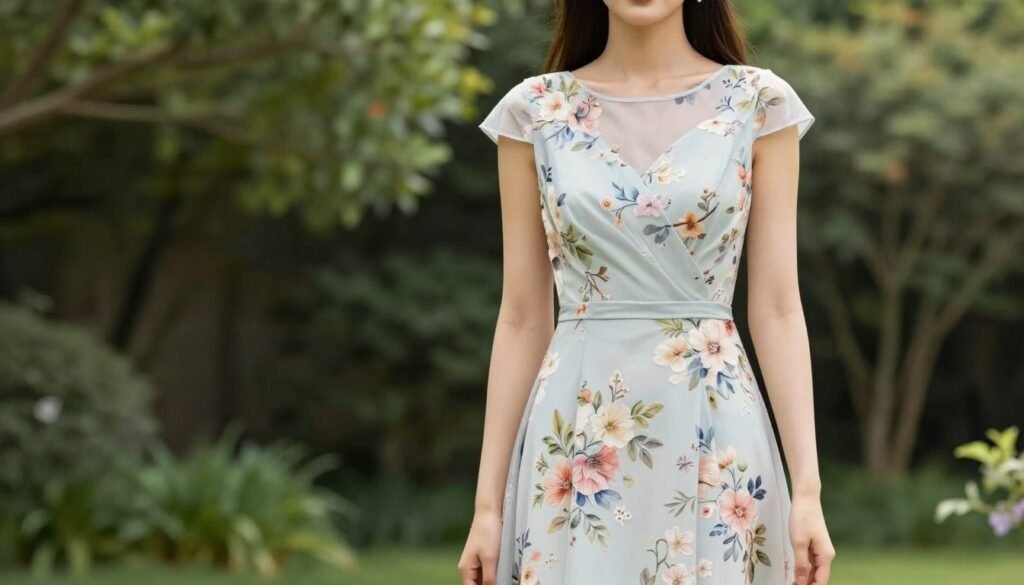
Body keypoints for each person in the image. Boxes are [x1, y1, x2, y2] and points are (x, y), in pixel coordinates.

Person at [460, 1, 834, 584]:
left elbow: (779, 308)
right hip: (576, 434)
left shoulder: (758, 104)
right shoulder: (534, 111)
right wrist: (487, 508)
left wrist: (807, 490)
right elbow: (522, 318)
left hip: (715, 430)